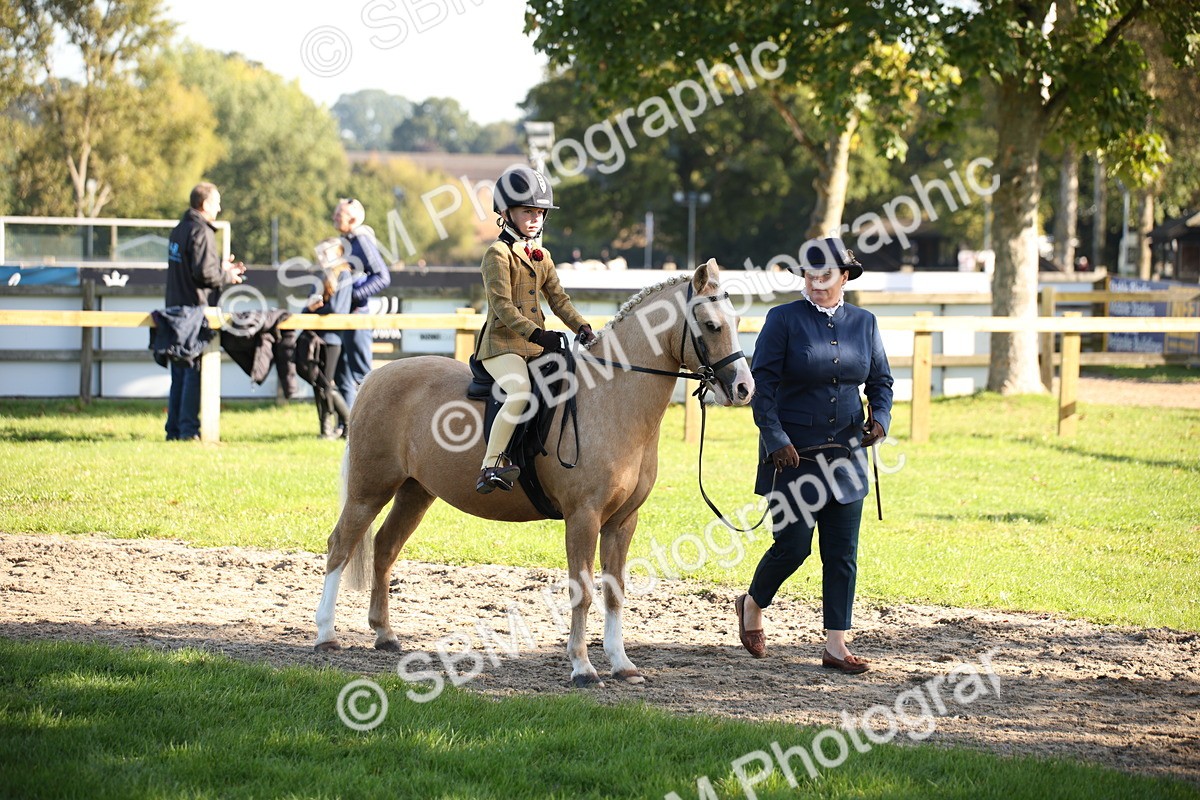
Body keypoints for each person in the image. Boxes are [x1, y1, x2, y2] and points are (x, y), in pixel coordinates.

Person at [735, 237, 893, 674]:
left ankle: (836, 646)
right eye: (811, 276)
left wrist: (880, 419)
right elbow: (762, 390)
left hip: (847, 456)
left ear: (844, 276)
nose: (818, 284)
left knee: (842, 553)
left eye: (827, 276)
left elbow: (881, 382)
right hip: (793, 457)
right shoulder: (782, 319)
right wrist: (775, 439)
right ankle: (751, 603)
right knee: (793, 546)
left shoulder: (865, 322)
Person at [473, 165, 596, 494]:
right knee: (520, 392)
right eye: (528, 211)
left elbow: (559, 299)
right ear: (505, 212)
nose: (535, 219)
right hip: (501, 346)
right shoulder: (497, 254)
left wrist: (581, 326)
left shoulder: (542, 256)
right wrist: (538, 334)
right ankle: (491, 465)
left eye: (540, 213)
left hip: (535, 347)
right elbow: (502, 306)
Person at [163, 182, 245, 441]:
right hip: (194, 311)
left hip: (175, 307)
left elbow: (193, 266)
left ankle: (174, 430)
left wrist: (217, 266)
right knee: (192, 371)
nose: (219, 207)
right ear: (205, 204)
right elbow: (204, 274)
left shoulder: (179, 229)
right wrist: (226, 274)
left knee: (178, 372)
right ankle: (188, 431)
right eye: (217, 202)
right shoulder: (202, 231)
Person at [330, 198, 390, 416]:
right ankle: (346, 425)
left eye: (339, 214)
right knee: (343, 375)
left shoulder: (362, 240)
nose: (334, 217)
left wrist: (353, 296)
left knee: (362, 376)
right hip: (345, 317)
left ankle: (375, 423)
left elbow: (383, 277)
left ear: (353, 219)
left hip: (357, 316)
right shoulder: (345, 241)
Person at [297, 238, 353, 439]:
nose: (320, 257)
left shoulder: (344, 274)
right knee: (318, 384)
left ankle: (348, 423)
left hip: (332, 338)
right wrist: (310, 309)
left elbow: (339, 309)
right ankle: (325, 429)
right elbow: (307, 309)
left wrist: (317, 308)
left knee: (326, 384)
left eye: (325, 253)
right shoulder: (322, 277)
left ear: (337, 253)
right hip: (316, 337)